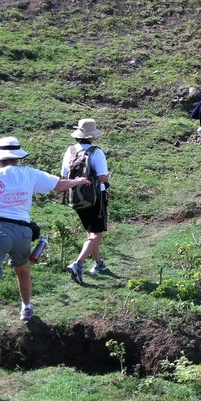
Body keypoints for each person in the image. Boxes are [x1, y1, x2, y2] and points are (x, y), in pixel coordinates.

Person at [0, 136, 89, 363]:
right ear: (18, 156)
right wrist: (79, 182)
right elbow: (58, 185)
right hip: (22, 232)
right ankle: (26, 308)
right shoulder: (29, 173)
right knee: (23, 270)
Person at [62, 118, 110, 284]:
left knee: (90, 231)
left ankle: (99, 263)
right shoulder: (96, 152)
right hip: (96, 197)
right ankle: (78, 263)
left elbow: (64, 174)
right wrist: (107, 181)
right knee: (97, 233)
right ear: (92, 136)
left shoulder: (70, 151)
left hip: (75, 196)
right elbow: (102, 177)